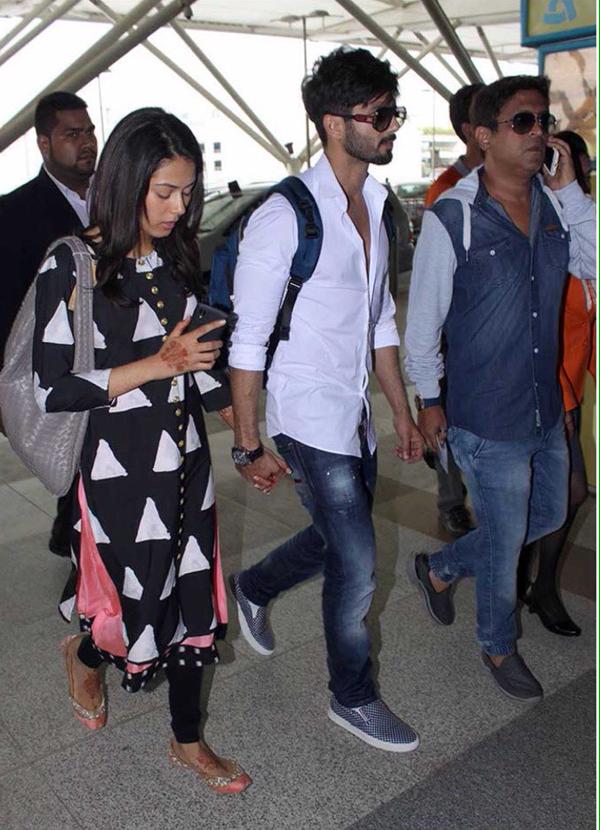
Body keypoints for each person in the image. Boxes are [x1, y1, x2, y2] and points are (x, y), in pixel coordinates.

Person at [32, 108, 251, 793]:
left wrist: (246, 438)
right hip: (116, 471)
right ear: (127, 182)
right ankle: (87, 652)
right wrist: (161, 363)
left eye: (188, 193)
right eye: (164, 192)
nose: (178, 207)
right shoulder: (73, 263)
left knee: (191, 600)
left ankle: (188, 741)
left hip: (187, 463)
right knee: (131, 606)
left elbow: (200, 360)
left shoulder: (172, 257)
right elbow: (54, 389)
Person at [227, 47, 423, 753]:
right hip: (306, 415)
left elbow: (380, 322)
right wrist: (249, 442)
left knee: (340, 539)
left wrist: (398, 407)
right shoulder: (285, 216)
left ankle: (250, 587)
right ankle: (353, 696)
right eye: (380, 114)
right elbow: (248, 340)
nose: (392, 125)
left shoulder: (377, 202)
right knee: (359, 559)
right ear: (334, 123)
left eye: (393, 111)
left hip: (356, 410)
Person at [405, 76, 596, 703]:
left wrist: (572, 196)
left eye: (542, 121)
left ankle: (439, 569)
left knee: (547, 513)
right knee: (509, 533)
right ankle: (497, 642)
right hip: (485, 414)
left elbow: (592, 267)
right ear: (483, 136)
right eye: (523, 123)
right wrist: (429, 399)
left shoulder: (553, 205)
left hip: (546, 402)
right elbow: (423, 320)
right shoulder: (453, 214)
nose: (540, 132)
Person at [0, 91, 98, 559]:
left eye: (90, 131)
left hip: (116, 361)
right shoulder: (13, 214)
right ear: (43, 143)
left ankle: (76, 534)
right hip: (57, 369)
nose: (86, 142)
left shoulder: (116, 198)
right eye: (72, 134)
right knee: (73, 458)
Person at [518, 129, 596, 637]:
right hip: (541, 385)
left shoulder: (584, 219)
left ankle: (531, 583)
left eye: (574, 159)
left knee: (554, 493)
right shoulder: (536, 220)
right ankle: (532, 585)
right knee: (558, 492)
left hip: (571, 381)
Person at [423, 83, 485, 538]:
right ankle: (450, 499)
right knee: (445, 413)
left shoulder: (514, 181)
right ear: (472, 129)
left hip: (486, 331)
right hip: (451, 333)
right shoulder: (445, 191)